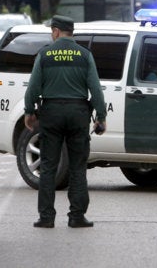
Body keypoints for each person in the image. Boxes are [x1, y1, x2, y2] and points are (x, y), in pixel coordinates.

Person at [24, 15, 107, 229]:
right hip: (78, 113)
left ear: (56, 31)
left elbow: (33, 87)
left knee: (49, 166)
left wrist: (29, 111)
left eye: (52, 31)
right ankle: (77, 216)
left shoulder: (44, 54)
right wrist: (101, 116)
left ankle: (46, 217)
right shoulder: (84, 55)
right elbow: (96, 89)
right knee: (78, 167)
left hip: (51, 113)